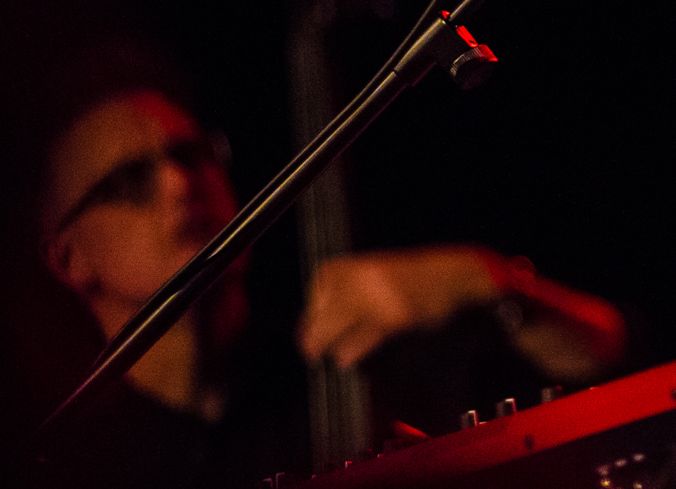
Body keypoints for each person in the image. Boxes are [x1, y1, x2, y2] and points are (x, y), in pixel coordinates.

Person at [28, 50, 626, 486]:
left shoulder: (346, 346)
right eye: (129, 181)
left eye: (190, 154)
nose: (179, 183)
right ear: (72, 260)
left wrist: (481, 278)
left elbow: (606, 356)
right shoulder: (60, 460)